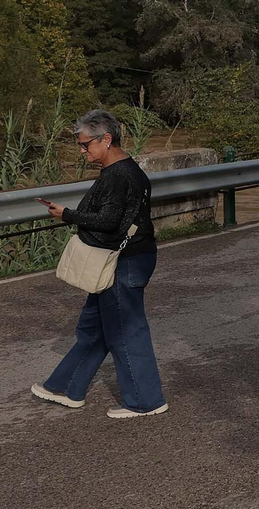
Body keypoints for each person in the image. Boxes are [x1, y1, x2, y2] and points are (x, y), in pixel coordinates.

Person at [32, 109, 168, 418]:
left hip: (124, 261)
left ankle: (145, 401)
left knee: (125, 331)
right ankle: (66, 387)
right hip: (122, 259)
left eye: (85, 144)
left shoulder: (120, 175)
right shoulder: (120, 169)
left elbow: (108, 221)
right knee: (93, 328)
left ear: (106, 139)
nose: (81, 151)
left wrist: (67, 214)